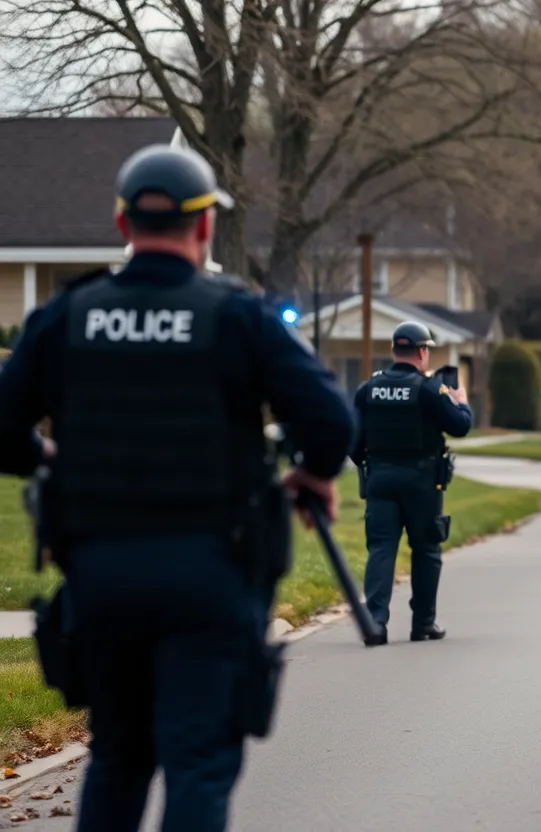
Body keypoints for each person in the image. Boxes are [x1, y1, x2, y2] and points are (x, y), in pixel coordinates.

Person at [0, 143, 356, 832]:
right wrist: (312, 471)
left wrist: (46, 456)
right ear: (204, 227)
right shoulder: (236, 317)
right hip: (211, 574)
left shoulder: (67, 317)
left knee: (119, 757)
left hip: (101, 578)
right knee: (197, 760)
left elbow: (1, 426)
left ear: (121, 224)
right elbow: (332, 420)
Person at [350, 321, 473, 645]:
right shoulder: (430, 390)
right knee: (426, 549)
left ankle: (375, 623)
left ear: (394, 351)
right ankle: (423, 624)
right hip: (421, 483)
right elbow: (460, 426)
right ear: (421, 352)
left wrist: (370, 465)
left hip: (380, 480)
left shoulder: (368, 389)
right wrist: (461, 401)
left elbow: (351, 440)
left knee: (381, 549)